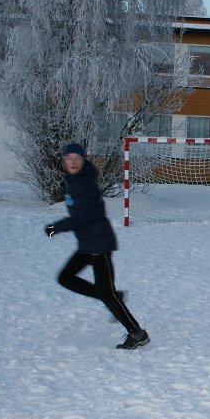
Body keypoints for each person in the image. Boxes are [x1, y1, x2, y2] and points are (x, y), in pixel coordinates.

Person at [45, 142, 150, 350]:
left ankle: (137, 333)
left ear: (83, 161)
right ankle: (115, 298)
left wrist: (55, 228)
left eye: (77, 158)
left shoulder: (83, 184)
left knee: (105, 293)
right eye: (69, 158)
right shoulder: (76, 181)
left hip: (98, 244)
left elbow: (81, 218)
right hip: (88, 244)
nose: (73, 162)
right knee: (66, 277)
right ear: (64, 161)